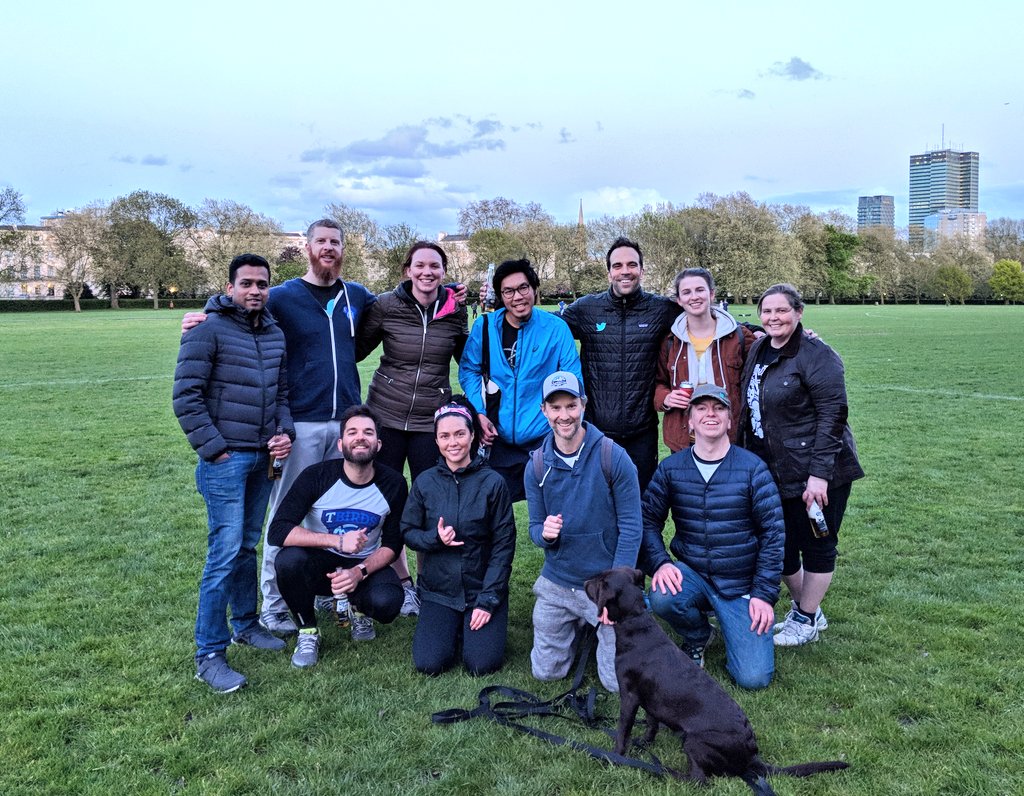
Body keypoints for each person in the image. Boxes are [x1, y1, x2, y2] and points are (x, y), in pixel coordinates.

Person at [182, 219, 378, 636]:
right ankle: (274, 604)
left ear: (344, 249)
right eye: (321, 241)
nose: (329, 248)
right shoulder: (283, 296)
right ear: (307, 247)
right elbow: (241, 309)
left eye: (336, 242)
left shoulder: (356, 295)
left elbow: (392, 314)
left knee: (332, 516)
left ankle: (328, 592)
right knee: (287, 515)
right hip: (299, 425)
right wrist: (205, 313)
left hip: (345, 425)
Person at [172, 254, 295, 693]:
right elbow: (186, 397)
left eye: (262, 284)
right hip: (226, 461)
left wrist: (285, 432)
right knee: (223, 554)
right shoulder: (207, 328)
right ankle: (208, 653)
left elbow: (281, 394)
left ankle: (246, 623)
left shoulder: (275, 332)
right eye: (247, 283)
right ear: (230, 287)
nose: (255, 291)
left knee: (246, 545)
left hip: (262, 459)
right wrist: (216, 451)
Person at [739, 283, 864, 647]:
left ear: (799, 313)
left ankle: (807, 617)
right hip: (774, 468)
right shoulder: (761, 346)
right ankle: (805, 609)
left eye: (782, 311)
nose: (774, 317)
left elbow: (833, 416)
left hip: (818, 470)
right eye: (767, 311)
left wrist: (819, 476)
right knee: (778, 545)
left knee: (818, 544)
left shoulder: (816, 354)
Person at [640, 383, 784, 690]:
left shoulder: (752, 469)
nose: (711, 414)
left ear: (730, 420)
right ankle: (698, 635)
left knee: (753, 678)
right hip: (693, 572)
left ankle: (738, 627)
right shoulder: (672, 469)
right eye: (701, 408)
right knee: (662, 596)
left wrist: (763, 594)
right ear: (689, 421)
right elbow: (647, 520)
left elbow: (773, 534)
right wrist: (661, 563)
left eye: (719, 408)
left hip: (740, 582)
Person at [356, 241, 468, 614]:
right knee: (387, 501)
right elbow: (353, 348)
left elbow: (467, 359)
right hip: (385, 416)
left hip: (429, 421)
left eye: (434, 266)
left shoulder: (454, 309)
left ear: (444, 271)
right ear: (407, 270)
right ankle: (400, 582)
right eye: (419, 265)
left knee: (428, 502)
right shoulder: (386, 305)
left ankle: (428, 584)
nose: (427, 272)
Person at [525, 371, 642, 693]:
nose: (564, 415)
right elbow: (535, 529)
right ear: (544, 410)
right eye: (556, 407)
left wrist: (616, 588)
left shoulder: (612, 456)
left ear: (584, 405)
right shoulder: (536, 464)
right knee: (545, 674)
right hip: (558, 581)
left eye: (571, 405)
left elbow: (632, 526)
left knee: (616, 684)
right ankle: (578, 629)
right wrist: (545, 535)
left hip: (604, 584)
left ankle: (596, 628)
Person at [266, 405, 408, 668]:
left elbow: (392, 544)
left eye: (368, 432)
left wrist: (359, 572)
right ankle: (307, 631)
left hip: (364, 565)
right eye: (352, 432)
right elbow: (278, 531)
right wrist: (336, 541)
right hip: (320, 569)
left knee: (388, 604)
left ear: (378, 443)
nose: (360, 437)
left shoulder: (394, 483)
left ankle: (358, 608)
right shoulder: (316, 477)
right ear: (341, 444)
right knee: (288, 560)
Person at [401, 396, 516, 676]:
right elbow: (407, 532)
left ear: (473, 435)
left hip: (481, 589)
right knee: (429, 663)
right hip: (440, 592)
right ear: (437, 441)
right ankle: (451, 628)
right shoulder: (425, 482)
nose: (453, 442)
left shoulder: (493, 483)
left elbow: (504, 546)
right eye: (445, 436)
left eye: (460, 434)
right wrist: (434, 539)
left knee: (481, 665)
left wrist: (488, 600)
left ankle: (475, 626)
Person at [561, 238, 681, 491]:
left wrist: (757, 333)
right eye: (617, 266)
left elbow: (704, 319)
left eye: (632, 265)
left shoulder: (661, 309)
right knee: (599, 505)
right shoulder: (587, 308)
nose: (625, 271)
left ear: (642, 270)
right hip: (596, 431)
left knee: (642, 507)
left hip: (642, 432)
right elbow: (545, 327)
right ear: (609, 273)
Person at [459, 259, 582, 502]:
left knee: (557, 516)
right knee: (487, 513)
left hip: (543, 438)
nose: (517, 297)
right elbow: (469, 370)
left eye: (523, 288)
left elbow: (572, 381)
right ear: (500, 296)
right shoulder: (484, 327)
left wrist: (562, 428)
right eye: (508, 291)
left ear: (534, 289)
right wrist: (480, 414)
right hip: (496, 437)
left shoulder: (556, 329)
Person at [653, 268, 755, 453]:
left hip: (730, 441)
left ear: (712, 294)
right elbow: (658, 382)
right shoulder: (670, 342)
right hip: (683, 442)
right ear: (679, 300)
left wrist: (800, 336)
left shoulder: (740, 337)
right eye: (686, 292)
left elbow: (764, 368)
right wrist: (666, 397)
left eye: (700, 290)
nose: (694, 297)